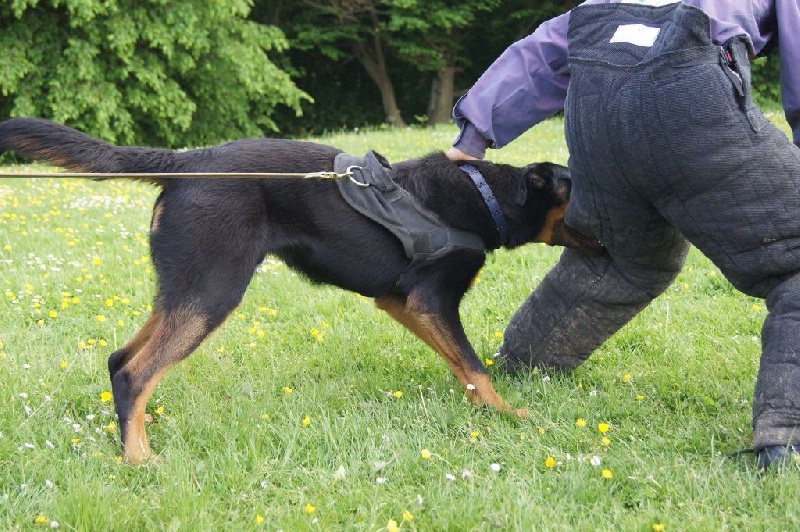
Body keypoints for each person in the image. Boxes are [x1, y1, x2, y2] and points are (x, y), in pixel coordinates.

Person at [447, 0, 800, 469]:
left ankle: (524, 362)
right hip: (691, 94)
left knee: (620, 259)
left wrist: (472, 137)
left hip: (598, 112)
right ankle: (784, 438)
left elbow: (539, 54)